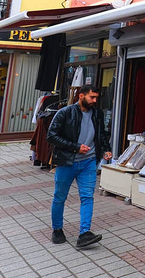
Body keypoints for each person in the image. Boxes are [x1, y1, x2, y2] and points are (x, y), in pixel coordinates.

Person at [46, 86, 111, 248]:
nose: (95, 101)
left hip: (89, 162)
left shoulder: (97, 113)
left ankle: (84, 233)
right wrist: (75, 147)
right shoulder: (65, 112)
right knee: (60, 197)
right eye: (91, 97)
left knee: (87, 197)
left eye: (96, 98)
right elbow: (51, 136)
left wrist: (105, 149)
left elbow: (101, 134)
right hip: (67, 162)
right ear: (81, 96)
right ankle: (57, 229)